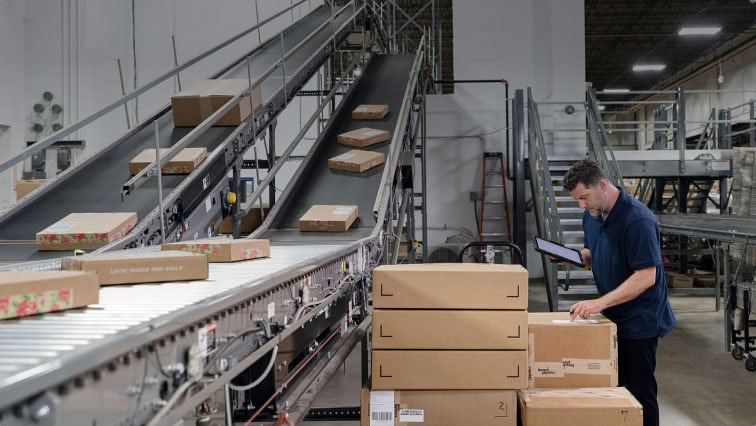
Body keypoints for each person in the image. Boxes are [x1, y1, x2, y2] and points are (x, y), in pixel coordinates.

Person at [560, 159, 676, 426]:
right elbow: (593, 253)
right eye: (577, 200)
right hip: (613, 317)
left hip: (640, 320)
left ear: (602, 185)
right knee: (616, 388)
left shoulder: (638, 220)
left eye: (584, 197)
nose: (582, 205)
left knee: (639, 393)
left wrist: (599, 303)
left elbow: (646, 276)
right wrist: (573, 257)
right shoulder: (592, 215)